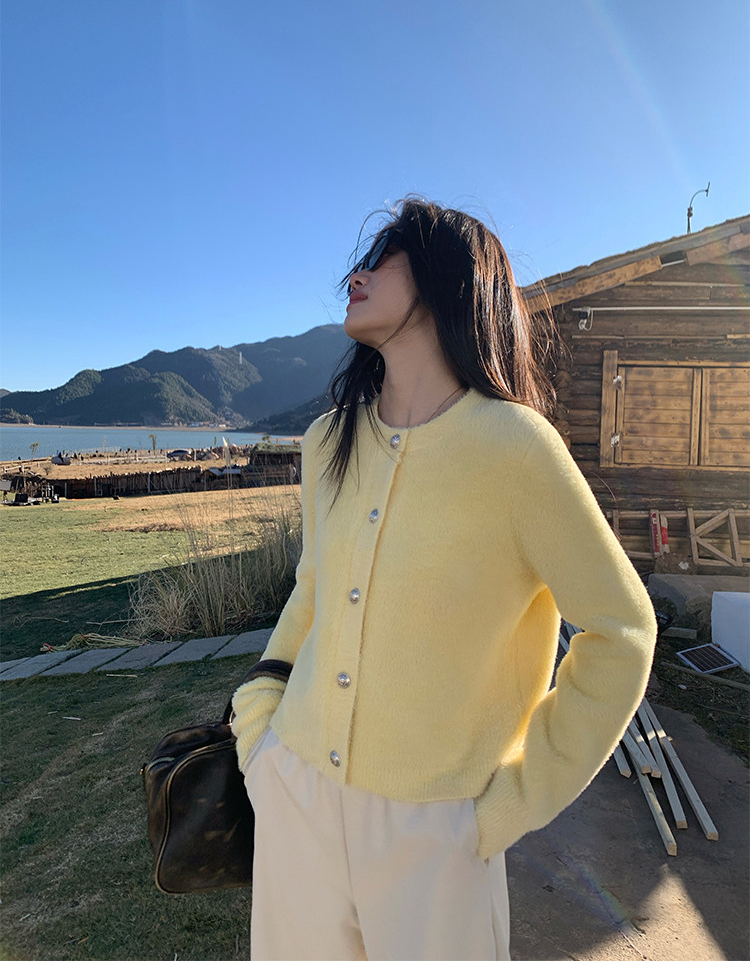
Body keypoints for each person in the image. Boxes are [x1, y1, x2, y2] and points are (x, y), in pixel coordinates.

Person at [231, 197, 657, 961]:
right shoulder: (327, 441)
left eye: (383, 258)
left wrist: (506, 807)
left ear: (445, 279)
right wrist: (258, 727)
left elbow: (622, 631)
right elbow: (311, 591)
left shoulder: (517, 449)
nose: (354, 277)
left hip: (435, 832)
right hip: (293, 789)